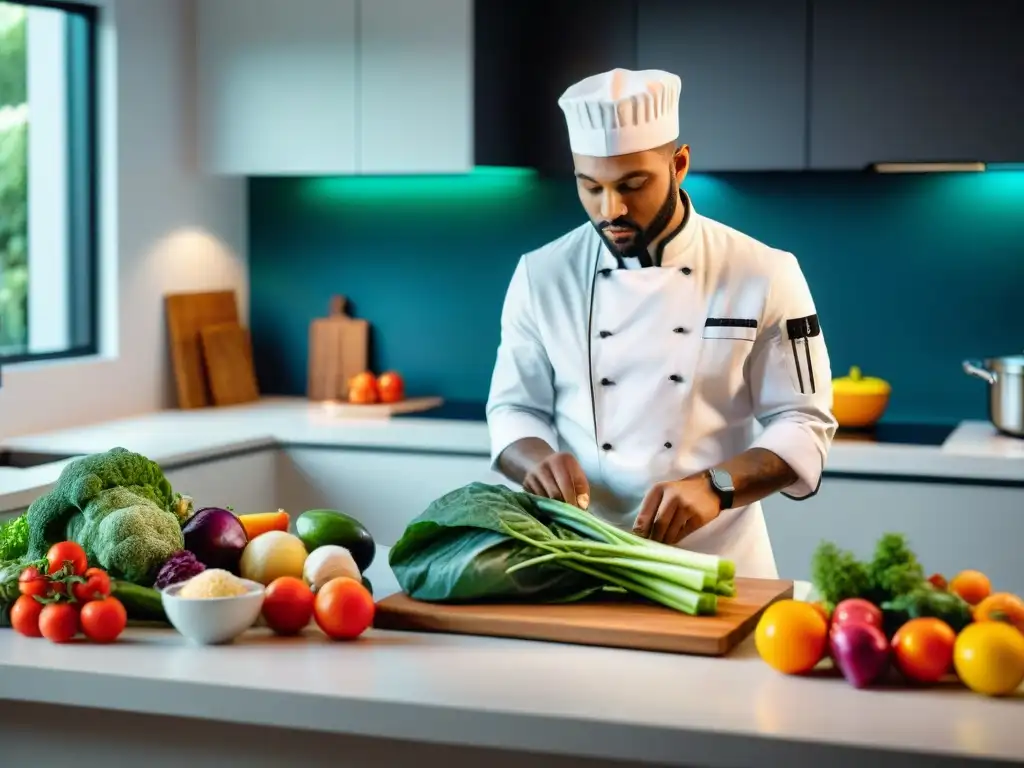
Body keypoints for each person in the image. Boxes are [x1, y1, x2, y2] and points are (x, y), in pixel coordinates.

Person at [484, 68, 837, 578]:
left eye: (633, 184)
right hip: (585, 559)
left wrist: (717, 486)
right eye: (591, 188)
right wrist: (535, 459)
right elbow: (514, 407)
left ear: (679, 165)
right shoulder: (541, 275)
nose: (612, 210)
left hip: (722, 565)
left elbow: (804, 421)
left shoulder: (764, 272)